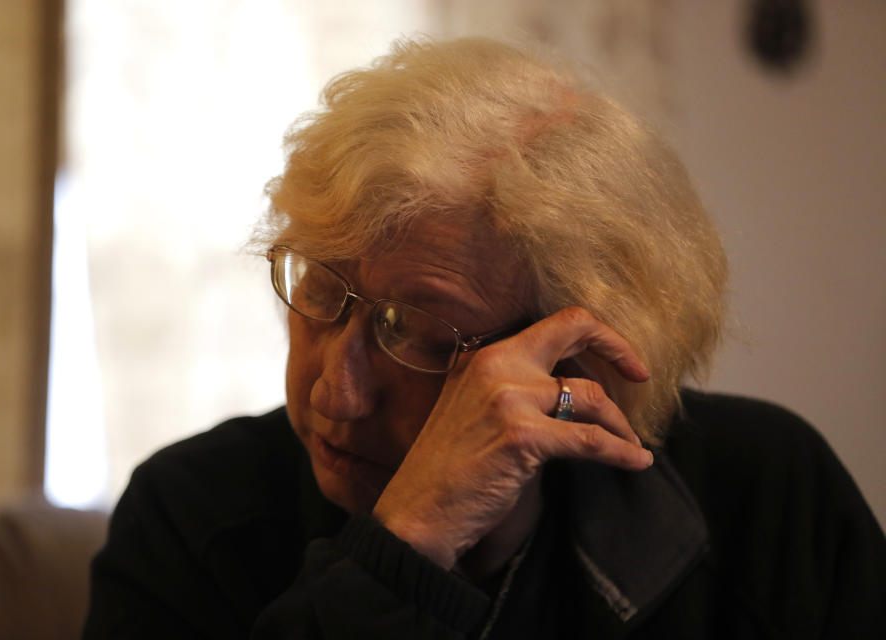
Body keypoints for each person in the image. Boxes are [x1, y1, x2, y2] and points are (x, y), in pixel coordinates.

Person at [83, 37, 886, 639]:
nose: (336, 390)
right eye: (321, 293)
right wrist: (402, 548)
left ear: (575, 354)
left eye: (418, 333)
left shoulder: (766, 492)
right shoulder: (194, 513)